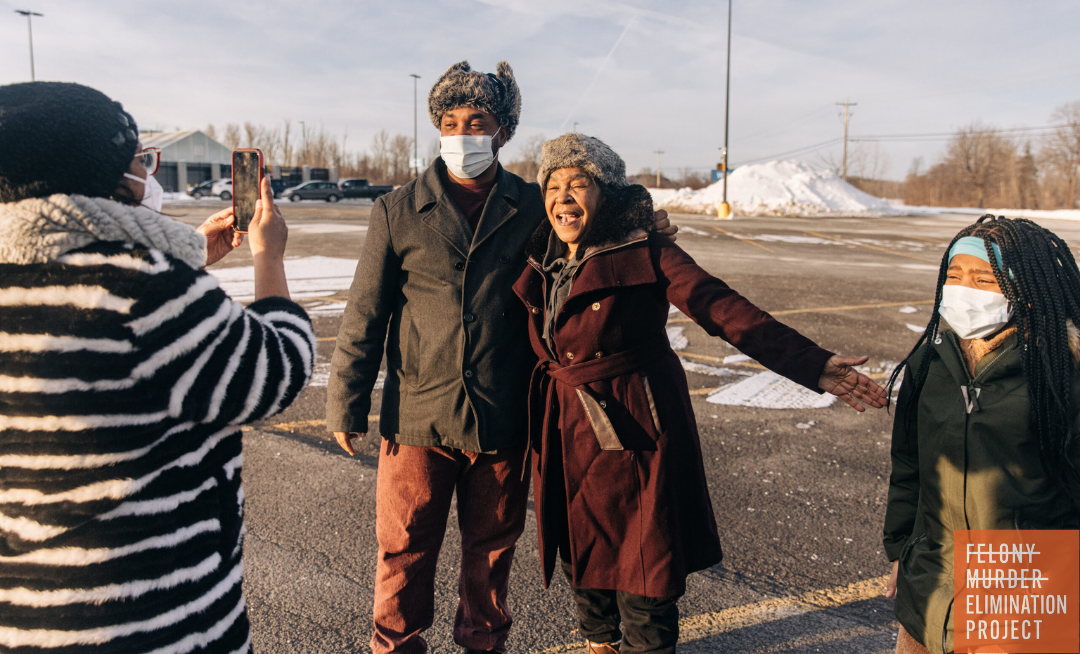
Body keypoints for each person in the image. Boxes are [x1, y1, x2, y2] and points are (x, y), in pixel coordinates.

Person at [327, 62, 677, 654]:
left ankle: (483, 644)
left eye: (477, 122)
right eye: (450, 122)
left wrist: (643, 224)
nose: (462, 134)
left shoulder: (534, 205)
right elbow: (365, 313)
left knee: (490, 552)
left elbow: (589, 234)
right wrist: (346, 404)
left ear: (503, 132)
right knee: (404, 548)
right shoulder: (397, 210)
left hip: (503, 414)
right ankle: (396, 645)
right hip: (417, 416)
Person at [513, 133, 888, 654]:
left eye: (578, 183)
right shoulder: (539, 255)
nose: (563, 197)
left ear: (606, 193)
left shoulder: (646, 249)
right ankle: (599, 640)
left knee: (645, 561)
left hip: (635, 425)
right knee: (582, 541)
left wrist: (813, 364)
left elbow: (721, 307)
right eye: (553, 186)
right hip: (565, 423)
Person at [0, 82, 315, 653]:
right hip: (152, 616)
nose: (148, 174)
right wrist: (268, 256)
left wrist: (187, 256)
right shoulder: (136, 287)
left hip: (31, 615)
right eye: (139, 161)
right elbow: (274, 370)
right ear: (108, 178)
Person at [883, 216, 1080, 654]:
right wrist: (901, 551)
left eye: (984, 279)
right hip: (930, 590)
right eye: (954, 276)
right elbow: (910, 467)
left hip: (1022, 597)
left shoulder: (1060, 374)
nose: (963, 290)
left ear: (1022, 289)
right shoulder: (928, 363)